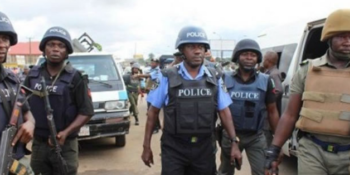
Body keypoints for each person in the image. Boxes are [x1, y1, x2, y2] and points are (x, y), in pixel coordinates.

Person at [141, 26, 242, 175]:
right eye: (191, 47)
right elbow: (152, 113)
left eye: (201, 47)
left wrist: (234, 142)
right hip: (174, 148)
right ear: (182, 50)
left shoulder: (215, 77)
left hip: (204, 148)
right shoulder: (166, 76)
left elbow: (224, 112)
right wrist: (146, 146)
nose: (197, 51)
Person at [265, 9, 350, 175]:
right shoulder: (307, 70)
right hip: (313, 150)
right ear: (329, 38)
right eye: (342, 36)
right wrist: (274, 150)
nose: (348, 41)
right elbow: (290, 114)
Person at [25, 26, 94, 175]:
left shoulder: (76, 77)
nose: (55, 49)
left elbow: (87, 111)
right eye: (51, 45)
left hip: (65, 145)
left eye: (61, 46)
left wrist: (66, 132)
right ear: (44, 49)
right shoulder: (33, 75)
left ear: (67, 51)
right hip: (38, 144)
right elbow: (21, 103)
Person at [218, 39, 280, 175]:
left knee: (262, 171)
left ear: (258, 58)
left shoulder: (266, 81)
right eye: (245, 54)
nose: (249, 58)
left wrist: (277, 140)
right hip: (230, 135)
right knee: (225, 172)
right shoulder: (224, 78)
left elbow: (272, 111)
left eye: (253, 55)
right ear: (237, 57)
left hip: (256, 137)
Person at [0, 11, 35, 175]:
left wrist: (30, 124)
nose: (2, 44)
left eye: (5, 39)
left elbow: (27, 113)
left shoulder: (12, 80)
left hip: (16, 163)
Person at [262, 51, 283, 147]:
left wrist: (266, 98)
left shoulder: (273, 74)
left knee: (267, 145)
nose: (262, 61)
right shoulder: (269, 72)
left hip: (269, 119)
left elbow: (278, 91)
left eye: (264, 59)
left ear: (268, 61)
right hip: (267, 118)